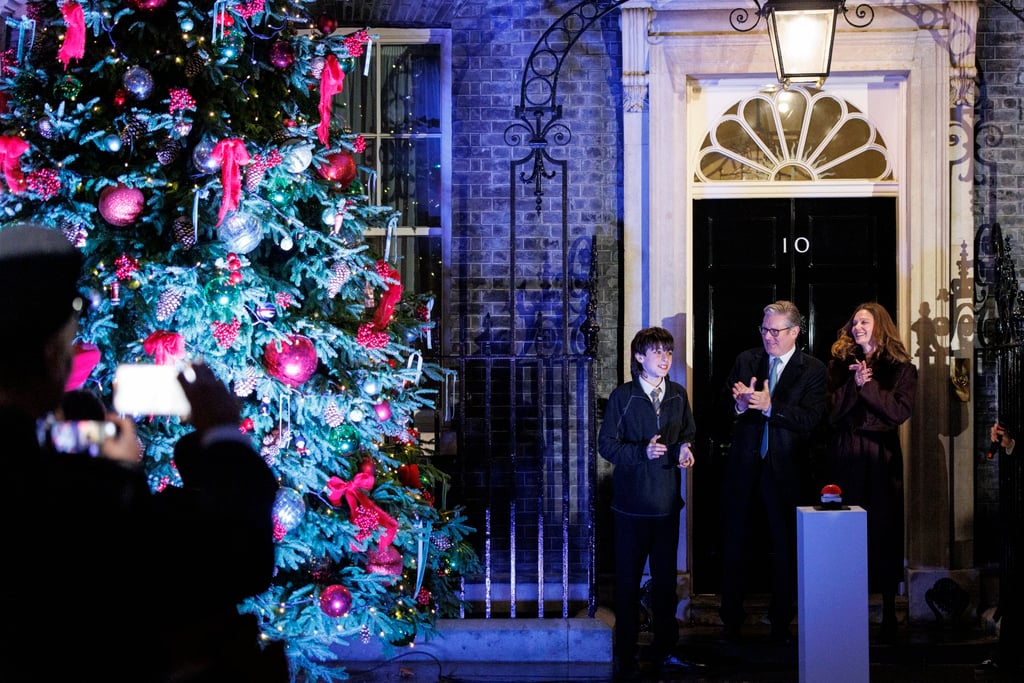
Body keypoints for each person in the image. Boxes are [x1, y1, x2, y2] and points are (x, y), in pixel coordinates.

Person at [0, 223, 285, 682]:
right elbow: (234, 559)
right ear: (51, 354)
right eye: (71, 340)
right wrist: (220, 434)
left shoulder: (45, 460)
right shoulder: (68, 492)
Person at [718, 300, 826, 645]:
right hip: (744, 469)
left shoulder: (813, 370)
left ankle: (781, 623)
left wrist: (770, 408)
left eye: (776, 331)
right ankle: (731, 623)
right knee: (736, 547)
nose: (768, 337)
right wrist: (736, 406)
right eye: (764, 329)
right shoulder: (746, 360)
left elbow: (811, 420)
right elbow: (720, 408)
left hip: (787, 472)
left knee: (785, 549)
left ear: (795, 332)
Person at [598, 327, 701, 680]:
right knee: (626, 585)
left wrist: (685, 451)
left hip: (666, 505)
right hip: (629, 508)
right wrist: (641, 451)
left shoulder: (677, 394)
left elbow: (688, 434)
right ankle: (626, 656)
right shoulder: (622, 397)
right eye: (657, 352)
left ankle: (664, 652)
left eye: (668, 352)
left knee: (664, 586)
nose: (665, 358)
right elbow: (607, 446)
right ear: (639, 357)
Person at [825, 302, 916, 642]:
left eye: (864, 321)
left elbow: (897, 411)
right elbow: (831, 412)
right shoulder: (838, 366)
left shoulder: (902, 369)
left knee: (884, 528)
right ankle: (845, 608)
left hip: (881, 455)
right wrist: (854, 385)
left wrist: (868, 387)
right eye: (854, 322)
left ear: (880, 326)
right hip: (845, 453)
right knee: (844, 529)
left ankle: (889, 609)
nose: (857, 326)